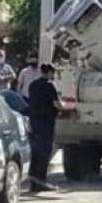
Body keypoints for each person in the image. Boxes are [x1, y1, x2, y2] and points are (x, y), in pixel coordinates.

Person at [27, 63, 69, 192]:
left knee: (36, 151)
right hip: (46, 121)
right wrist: (66, 106)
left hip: (34, 120)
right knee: (45, 151)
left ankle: (33, 182)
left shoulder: (32, 85)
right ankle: (41, 181)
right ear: (50, 72)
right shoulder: (50, 85)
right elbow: (57, 104)